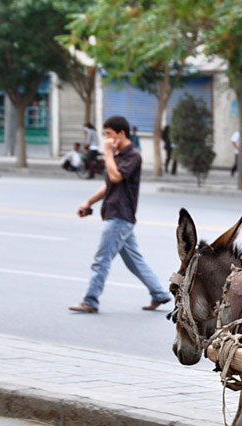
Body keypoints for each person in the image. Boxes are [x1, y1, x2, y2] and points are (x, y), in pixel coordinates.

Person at [68, 115, 173, 314]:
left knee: (101, 260)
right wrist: (88, 202)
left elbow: (115, 177)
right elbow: (108, 185)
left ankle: (90, 300)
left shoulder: (133, 155)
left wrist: (107, 152)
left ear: (120, 134)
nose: (106, 138)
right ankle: (160, 294)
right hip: (117, 215)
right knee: (135, 260)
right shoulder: (118, 156)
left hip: (120, 216)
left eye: (108, 134)